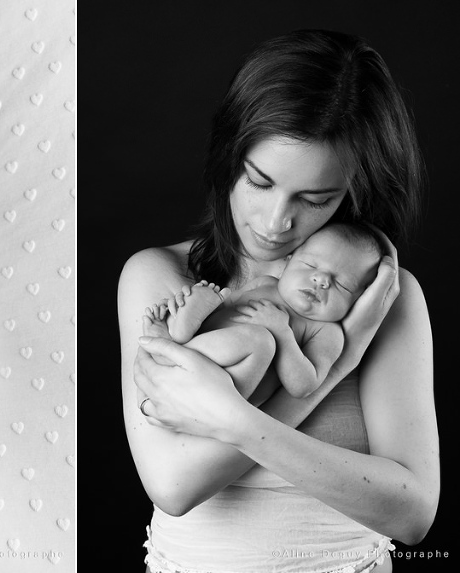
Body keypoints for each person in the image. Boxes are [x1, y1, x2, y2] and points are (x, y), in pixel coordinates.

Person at [118, 30, 439, 573]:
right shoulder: (164, 276)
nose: (274, 224)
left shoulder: (379, 299)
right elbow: (174, 484)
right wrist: (342, 361)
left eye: (315, 200)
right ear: (230, 155)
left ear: (354, 194)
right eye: (259, 181)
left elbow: (412, 517)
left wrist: (238, 419)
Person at [143, 223, 383, 402]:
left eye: (341, 284)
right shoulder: (265, 284)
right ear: (287, 263)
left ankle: (172, 349)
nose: (320, 281)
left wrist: (282, 333)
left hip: (228, 391)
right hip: (203, 354)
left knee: (261, 340)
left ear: (360, 299)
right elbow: (228, 305)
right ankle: (179, 330)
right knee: (211, 300)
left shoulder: (326, 332)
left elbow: (304, 386)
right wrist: (202, 301)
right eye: (311, 266)